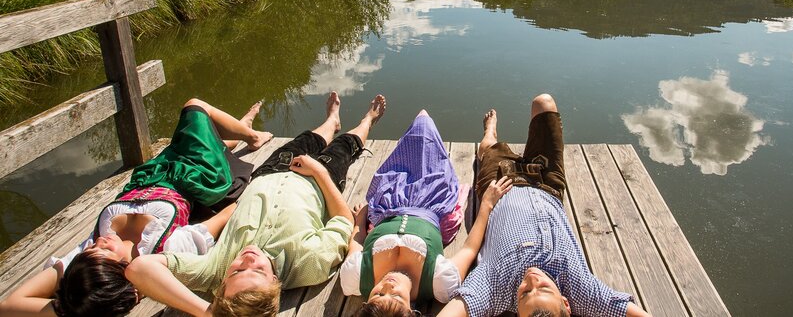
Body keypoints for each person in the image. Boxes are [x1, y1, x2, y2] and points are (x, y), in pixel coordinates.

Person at [0, 98, 273, 317]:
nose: (98, 242)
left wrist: (75, 308)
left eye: (92, 248)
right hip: (194, 175)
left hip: (151, 172)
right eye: (105, 251)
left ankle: (242, 128)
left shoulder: (88, 261)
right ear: (124, 269)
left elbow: (9, 306)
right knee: (194, 107)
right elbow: (227, 214)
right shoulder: (165, 248)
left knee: (204, 142)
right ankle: (251, 134)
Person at [125, 92, 385, 317]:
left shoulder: (214, 270)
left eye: (236, 271)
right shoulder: (310, 264)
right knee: (345, 146)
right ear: (275, 282)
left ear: (222, 285)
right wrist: (318, 172)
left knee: (310, 139)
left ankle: (331, 121)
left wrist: (209, 312)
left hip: (270, 171)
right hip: (319, 182)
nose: (248, 259)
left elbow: (139, 268)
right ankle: (368, 120)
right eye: (258, 271)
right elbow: (343, 220)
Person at [438, 94, 651, 317]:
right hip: (546, 183)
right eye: (544, 288)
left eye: (524, 293)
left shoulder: (495, 289)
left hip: (498, 188)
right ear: (565, 303)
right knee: (543, 103)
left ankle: (490, 132)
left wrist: (487, 202)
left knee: (487, 149)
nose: (532, 279)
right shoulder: (581, 291)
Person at [339, 110, 512, 315]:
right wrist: (486, 204)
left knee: (416, 126)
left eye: (378, 294)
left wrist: (360, 219)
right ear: (412, 311)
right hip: (430, 201)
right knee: (425, 124)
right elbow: (469, 249)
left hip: (390, 199)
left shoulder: (354, 277)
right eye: (396, 297)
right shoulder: (439, 282)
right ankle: (489, 133)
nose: (388, 286)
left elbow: (357, 241)